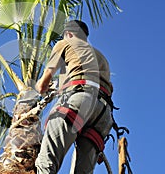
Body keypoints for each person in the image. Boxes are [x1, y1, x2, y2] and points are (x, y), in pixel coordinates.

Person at [35, 20, 114, 174]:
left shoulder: (65, 43)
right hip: (103, 115)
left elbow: (43, 84)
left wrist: (40, 89)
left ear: (68, 34)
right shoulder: (100, 56)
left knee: (46, 164)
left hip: (80, 101)